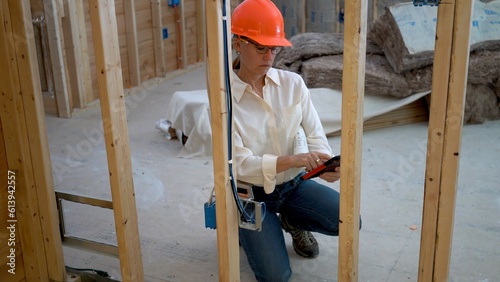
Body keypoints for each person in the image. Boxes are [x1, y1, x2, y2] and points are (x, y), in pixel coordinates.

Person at [231, 0, 361, 281]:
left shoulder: (292, 84)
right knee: (276, 276)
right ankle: (247, 229)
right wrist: (295, 160)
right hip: (251, 195)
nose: (269, 56)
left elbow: (315, 134)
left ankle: (292, 220)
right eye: (260, 47)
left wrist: (323, 164)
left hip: (292, 185)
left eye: (274, 48)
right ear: (238, 43)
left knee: (350, 219)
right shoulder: (224, 99)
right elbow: (239, 165)